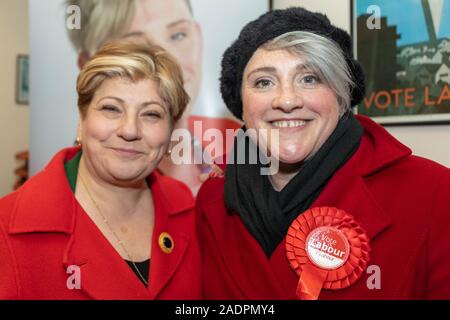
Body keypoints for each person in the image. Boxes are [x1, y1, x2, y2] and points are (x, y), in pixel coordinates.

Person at [196, 7, 450, 299]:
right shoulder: (212, 199)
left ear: (342, 97)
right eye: (264, 82)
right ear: (241, 103)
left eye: (310, 78)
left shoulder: (434, 194)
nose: (287, 100)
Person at [0, 39, 201, 299]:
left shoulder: (189, 210)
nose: (129, 130)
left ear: (171, 131)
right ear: (82, 120)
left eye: (151, 114)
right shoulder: (7, 229)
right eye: (111, 108)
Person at [66, 0, 241, 195]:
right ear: (88, 66)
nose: (171, 60)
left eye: (178, 35)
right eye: (136, 47)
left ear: (198, 36)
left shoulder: (241, 143)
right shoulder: (77, 187)